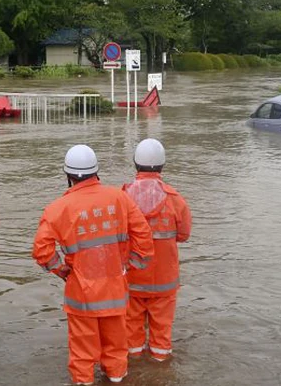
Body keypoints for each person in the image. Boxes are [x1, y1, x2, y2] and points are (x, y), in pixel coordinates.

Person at [32, 144, 154, 385]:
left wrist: (62, 271)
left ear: (67, 175)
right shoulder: (120, 198)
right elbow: (144, 239)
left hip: (81, 296)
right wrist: (129, 266)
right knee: (117, 351)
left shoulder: (57, 209)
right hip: (115, 292)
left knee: (82, 357)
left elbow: (42, 251)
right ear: (96, 172)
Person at [122, 138, 192, 362]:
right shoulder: (175, 199)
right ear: (162, 164)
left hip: (132, 279)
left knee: (131, 334)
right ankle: (161, 370)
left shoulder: (122, 198)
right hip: (164, 281)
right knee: (162, 336)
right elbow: (184, 235)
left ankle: (132, 372)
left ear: (135, 163)